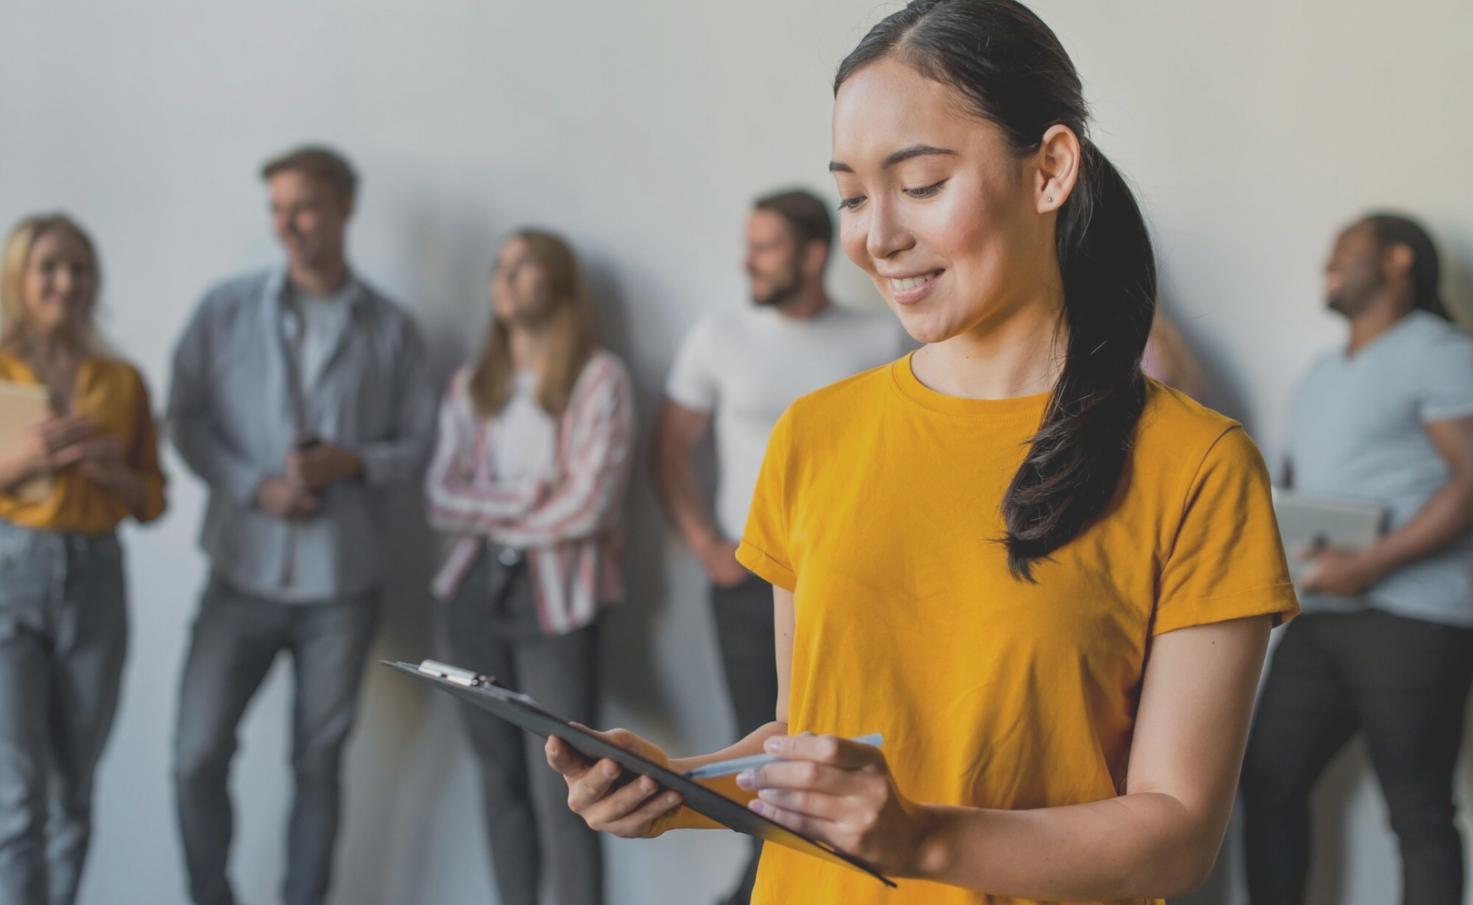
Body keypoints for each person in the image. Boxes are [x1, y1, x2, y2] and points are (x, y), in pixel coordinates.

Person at [545, 2, 1300, 903]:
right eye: (855, 196)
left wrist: (922, 841)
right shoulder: (813, 435)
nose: (877, 237)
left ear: (1050, 169)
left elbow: (1176, 833)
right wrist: (679, 785)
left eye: (922, 184)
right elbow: (808, 739)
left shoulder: (1197, 464)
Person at [166, 146, 435, 905]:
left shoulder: (393, 330)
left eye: (305, 206)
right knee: (195, 755)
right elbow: (182, 418)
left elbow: (421, 445)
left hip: (340, 588)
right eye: (276, 207)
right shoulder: (224, 310)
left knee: (317, 766)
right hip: (238, 573)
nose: (287, 224)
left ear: (345, 207)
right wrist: (254, 485)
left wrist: (354, 463)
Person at [652, 189, 903, 904]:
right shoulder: (718, 337)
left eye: (764, 247)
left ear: (813, 254)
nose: (748, 261)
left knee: (833, 745)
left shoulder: (878, 339)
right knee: (759, 750)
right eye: (749, 245)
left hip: (850, 589)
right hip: (746, 580)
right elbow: (668, 448)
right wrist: (705, 544)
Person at [1240, 214, 1473, 905]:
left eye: (1344, 251)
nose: (1327, 264)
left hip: (1412, 614)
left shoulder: (1439, 351)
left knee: (1417, 809)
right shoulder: (1320, 372)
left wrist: (1371, 563)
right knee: (1267, 780)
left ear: (1397, 260)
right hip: (1322, 610)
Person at [424, 229, 635, 905]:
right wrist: (524, 498)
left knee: (571, 782)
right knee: (497, 775)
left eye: (524, 266)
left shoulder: (598, 378)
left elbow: (589, 505)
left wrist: (492, 510)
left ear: (559, 283)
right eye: (499, 266)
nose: (505, 278)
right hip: (473, 590)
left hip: (558, 600)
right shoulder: (471, 382)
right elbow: (438, 496)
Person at [0, 214, 167, 905]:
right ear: (20, 276)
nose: (66, 281)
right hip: (11, 575)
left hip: (96, 579)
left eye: (79, 267)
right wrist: (24, 461)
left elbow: (154, 498)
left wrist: (117, 477)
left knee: (76, 785)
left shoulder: (121, 381)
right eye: (50, 266)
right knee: (17, 790)